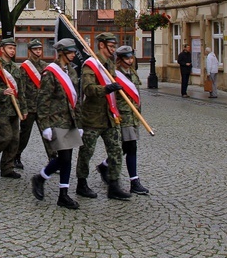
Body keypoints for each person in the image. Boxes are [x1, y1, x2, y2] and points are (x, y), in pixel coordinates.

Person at [30, 38, 83, 209]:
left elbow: (77, 98)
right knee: (64, 157)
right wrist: (45, 125)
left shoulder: (72, 72)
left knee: (66, 159)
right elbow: (42, 100)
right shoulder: (50, 72)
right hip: (55, 120)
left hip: (70, 120)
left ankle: (63, 195)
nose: (73, 55)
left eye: (74, 52)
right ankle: (40, 178)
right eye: (70, 52)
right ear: (61, 53)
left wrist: (79, 123)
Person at [75, 33, 129, 201]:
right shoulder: (90, 65)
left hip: (110, 116)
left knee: (116, 151)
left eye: (114, 47)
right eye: (110, 47)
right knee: (86, 152)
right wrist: (107, 88)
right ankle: (81, 183)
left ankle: (114, 185)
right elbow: (88, 89)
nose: (113, 50)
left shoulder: (110, 64)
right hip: (92, 118)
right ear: (101, 46)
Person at [96, 46, 149, 195]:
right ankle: (134, 181)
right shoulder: (114, 75)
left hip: (133, 116)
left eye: (131, 58)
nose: (130, 61)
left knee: (125, 148)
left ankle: (104, 166)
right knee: (131, 147)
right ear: (119, 59)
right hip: (122, 117)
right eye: (127, 58)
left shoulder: (132, 73)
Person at [0, 38, 26, 179]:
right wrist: (2, 91)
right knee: (5, 137)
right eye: (10, 48)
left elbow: (21, 90)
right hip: (2, 108)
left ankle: (7, 168)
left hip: (15, 109)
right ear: (2, 49)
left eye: (14, 48)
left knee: (15, 140)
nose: (12, 51)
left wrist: (24, 109)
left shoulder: (15, 68)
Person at [16, 39, 52, 169]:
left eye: (40, 49)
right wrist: (23, 107)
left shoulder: (45, 66)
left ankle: (52, 160)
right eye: (35, 49)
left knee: (47, 134)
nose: (38, 51)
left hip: (43, 107)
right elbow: (22, 89)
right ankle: (16, 156)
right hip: (30, 107)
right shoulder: (24, 67)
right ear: (30, 51)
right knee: (24, 135)